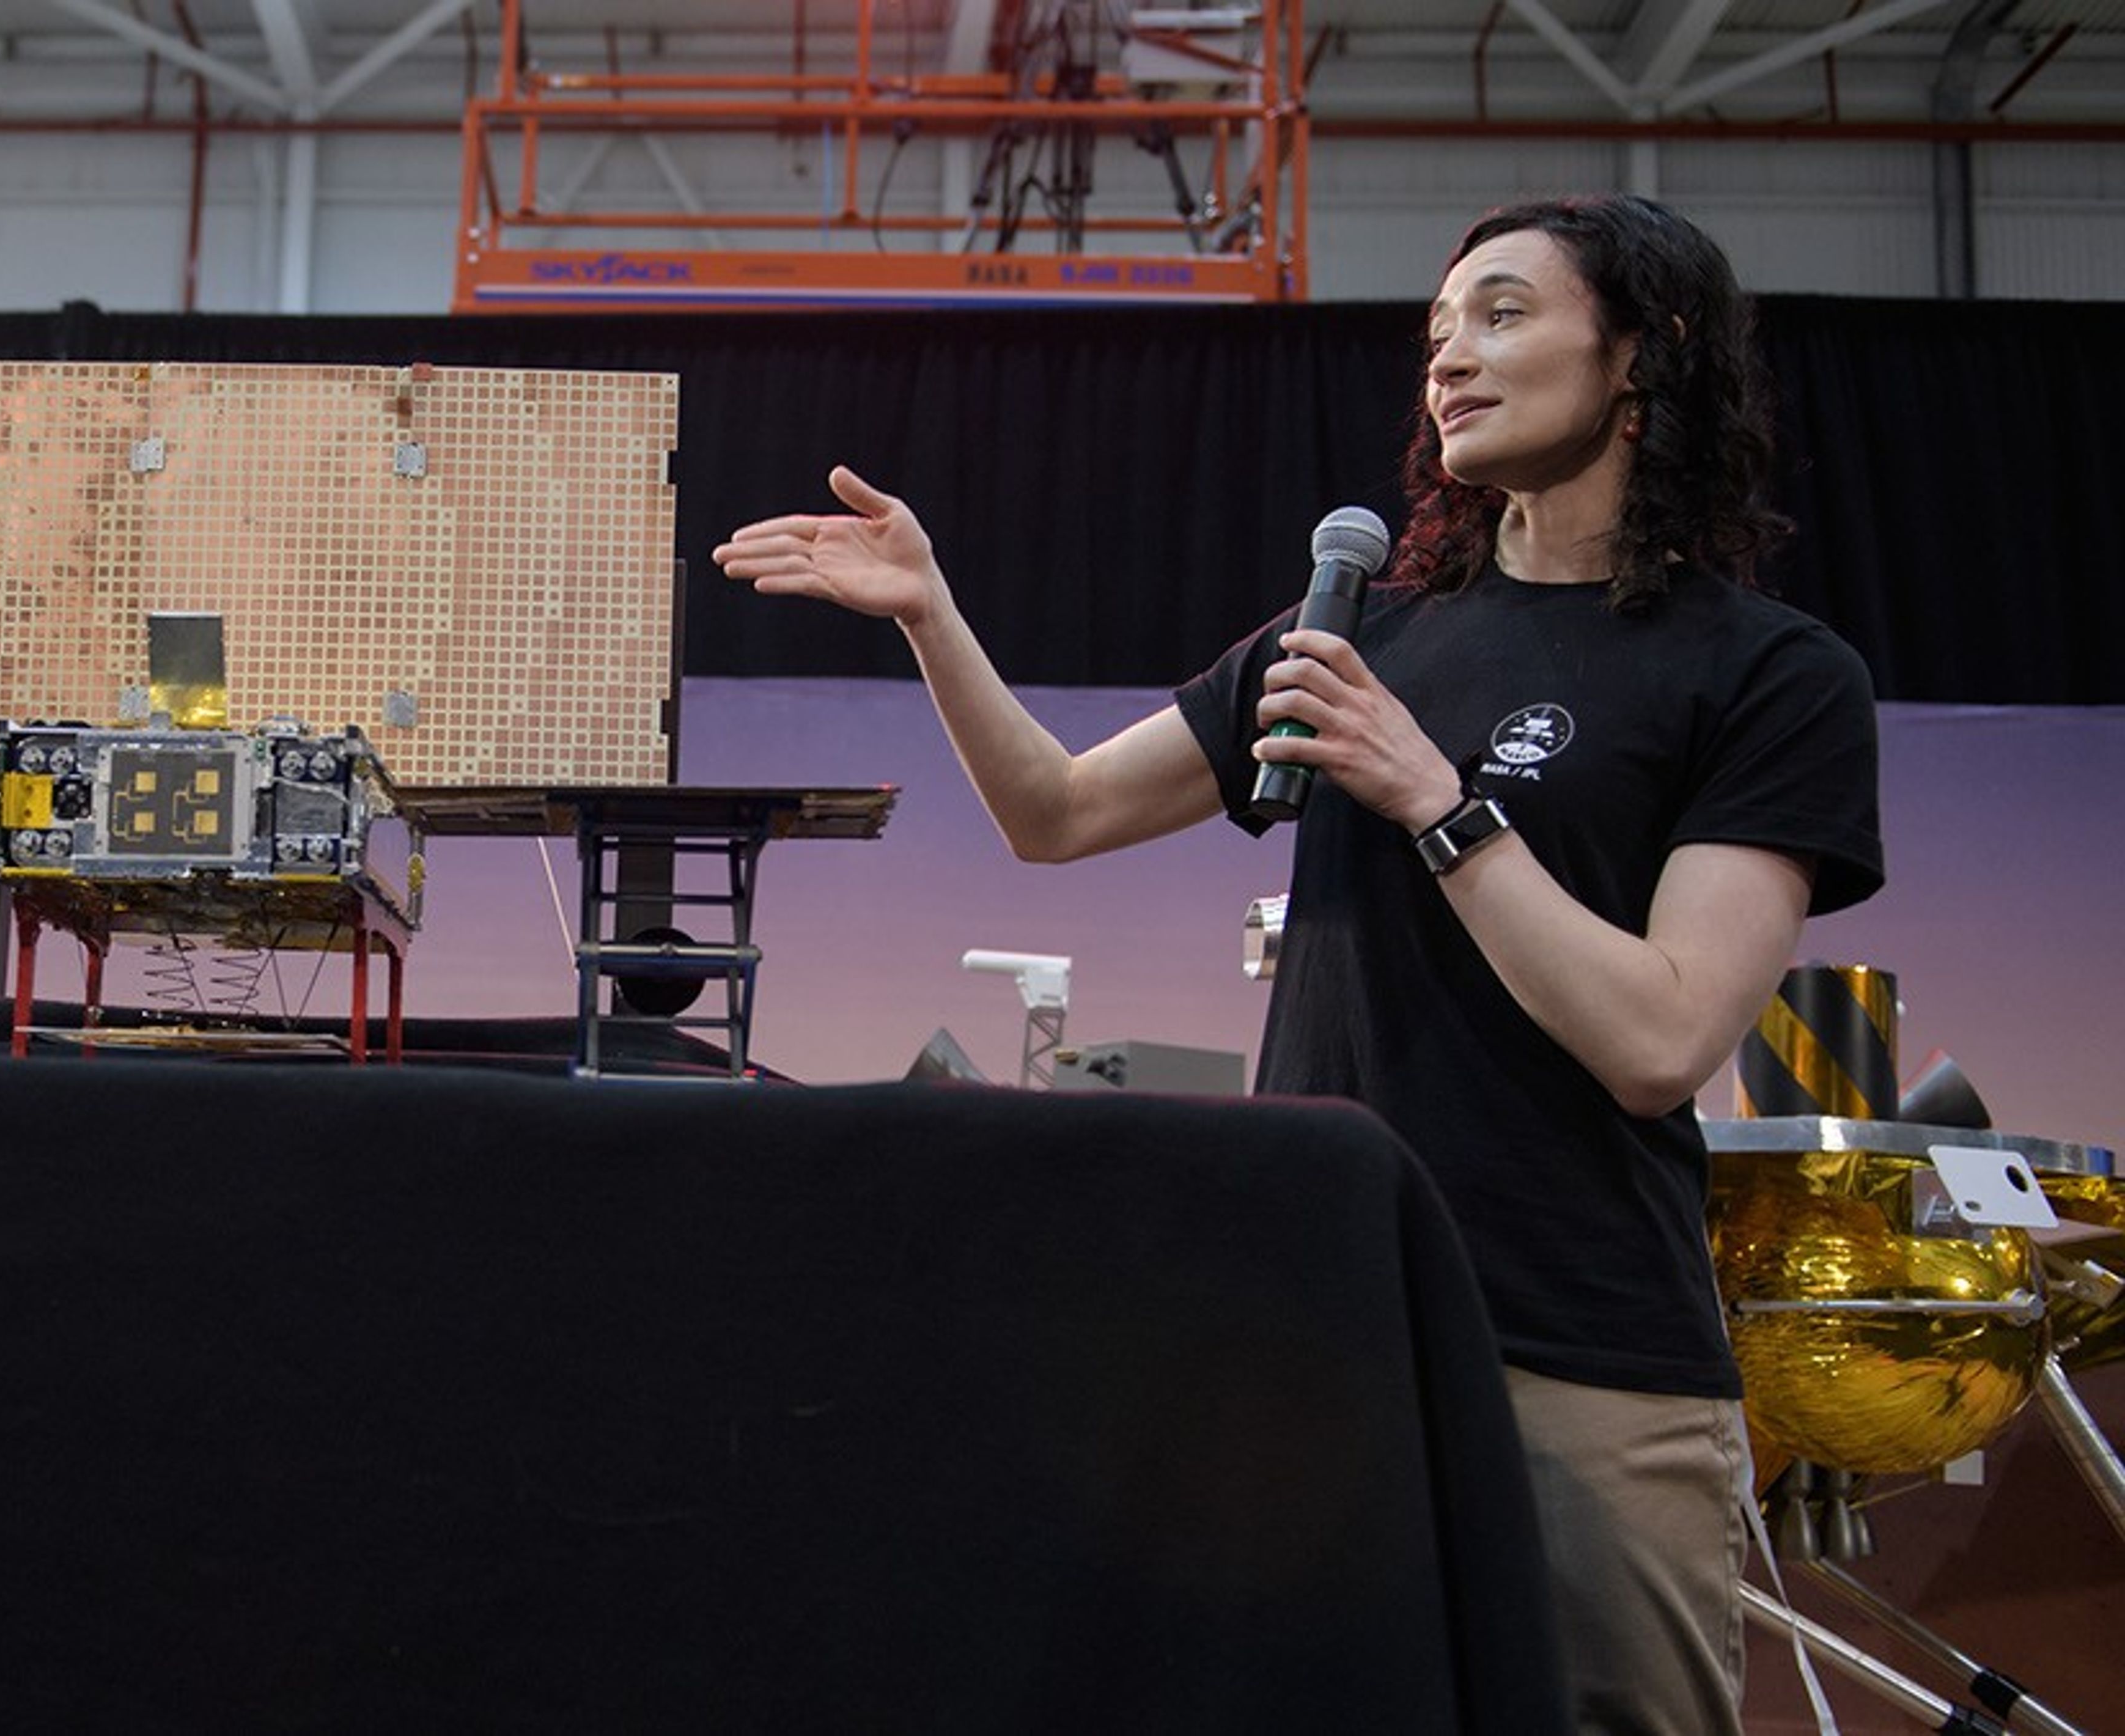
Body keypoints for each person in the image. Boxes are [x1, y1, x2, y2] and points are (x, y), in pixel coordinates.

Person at [715, 194, 1882, 1734]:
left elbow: (1659, 1038)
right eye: (1436, 335)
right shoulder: (1361, 634)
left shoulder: (1765, 669)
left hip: (1579, 1349)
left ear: (1644, 350)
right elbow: (1053, 814)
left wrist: (1433, 802)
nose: (1452, 359)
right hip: (1322, 1341)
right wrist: (930, 614)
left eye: (1503, 313)